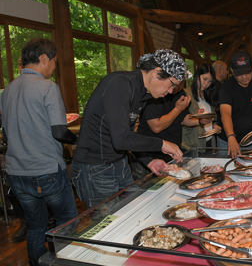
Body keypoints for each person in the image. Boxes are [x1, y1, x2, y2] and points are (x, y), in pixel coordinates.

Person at [71, 49, 186, 209]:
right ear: (156, 72)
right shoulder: (120, 83)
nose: (170, 91)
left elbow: (128, 136)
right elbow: (120, 139)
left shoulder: (143, 93)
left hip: (119, 162)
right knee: (108, 226)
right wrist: (160, 144)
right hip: (95, 167)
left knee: (130, 212)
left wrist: (148, 160)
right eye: (171, 84)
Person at [0, 38, 78, 266]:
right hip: (47, 170)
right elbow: (59, 131)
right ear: (44, 58)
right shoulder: (47, 87)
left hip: (17, 173)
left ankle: (37, 263)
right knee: (67, 221)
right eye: (54, 62)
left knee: (35, 226)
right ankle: (70, 261)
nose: (54, 67)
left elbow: (6, 133)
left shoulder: (8, 90)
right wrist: (75, 141)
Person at [217, 51, 252, 158]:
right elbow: (225, 113)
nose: (244, 77)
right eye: (239, 74)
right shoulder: (227, 88)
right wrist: (231, 136)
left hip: (251, 138)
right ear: (232, 71)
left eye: (247, 72)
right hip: (227, 139)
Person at [182, 64, 221, 150]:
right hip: (192, 146)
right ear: (197, 76)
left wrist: (214, 126)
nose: (207, 84)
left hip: (209, 143)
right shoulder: (185, 95)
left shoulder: (208, 96)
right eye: (204, 79)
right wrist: (198, 120)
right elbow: (181, 120)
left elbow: (211, 118)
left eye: (210, 81)